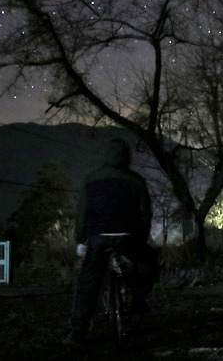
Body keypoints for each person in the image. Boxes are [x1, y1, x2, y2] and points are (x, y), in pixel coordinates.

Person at [65, 138, 156, 347]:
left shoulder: (91, 179)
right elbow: (145, 214)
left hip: (98, 238)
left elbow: (82, 214)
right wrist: (141, 238)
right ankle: (138, 305)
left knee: (87, 282)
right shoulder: (136, 180)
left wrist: (80, 240)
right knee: (145, 267)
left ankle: (77, 333)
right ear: (127, 157)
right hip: (129, 237)